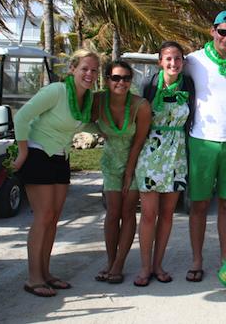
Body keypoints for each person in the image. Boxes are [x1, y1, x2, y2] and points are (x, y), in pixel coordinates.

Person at [13, 49, 100, 297]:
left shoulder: (87, 99)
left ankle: (46, 273)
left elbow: (87, 123)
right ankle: (33, 278)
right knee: (43, 217)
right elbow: (22, 117)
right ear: (72, 69)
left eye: (94, 70)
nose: (89, 74)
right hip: (37, 153)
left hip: (61, 157)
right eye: (84, 68)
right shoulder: (57, 91)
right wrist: (22, 152)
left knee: (53, 218)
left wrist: (114, 130)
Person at [184, 10, 226, 283]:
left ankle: (225, 260)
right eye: (222, 32)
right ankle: (197, 260)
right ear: (212, 31)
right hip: (201, 140)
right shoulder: (193, 60)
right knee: (198, 204)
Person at [133, 41, 195, 287]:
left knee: (168, 214)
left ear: (183, 62)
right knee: (149, 214)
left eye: (177, 58)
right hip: (151, 153)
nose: (173, 63)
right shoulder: (148, 84)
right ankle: (144, 266)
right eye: (168, 58)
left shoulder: (188, 85)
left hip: (177, 154)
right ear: (160, 61)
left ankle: (158, 265)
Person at [93, 60, 151, 284]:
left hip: (135, 162)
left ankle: (119, 264)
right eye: (116, 78)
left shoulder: (140, 105)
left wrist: (129, 171)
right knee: (112, 213)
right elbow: (81, 118)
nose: (121, 82)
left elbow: (139, 141)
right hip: (110, 162)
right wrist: (99, 132)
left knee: (127, 212)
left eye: (126, 78)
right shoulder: (98, 101)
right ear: (107, 79)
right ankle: (110, 261)